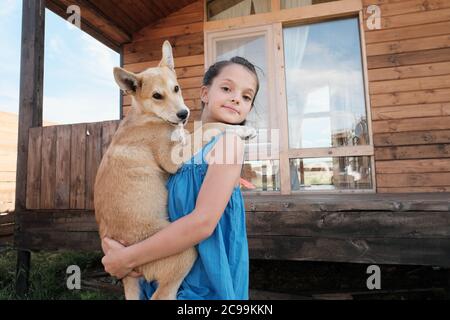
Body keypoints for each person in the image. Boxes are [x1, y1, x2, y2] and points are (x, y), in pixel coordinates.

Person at [101, 56, 260, 300]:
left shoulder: (230, 142)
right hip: (166, 261)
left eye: (246, 96)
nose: (236, 98)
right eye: (227, 88)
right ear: (204, 93)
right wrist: (112, 244)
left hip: (205, 279)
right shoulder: (182, 141)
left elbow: (203, 223)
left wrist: (126, 257)